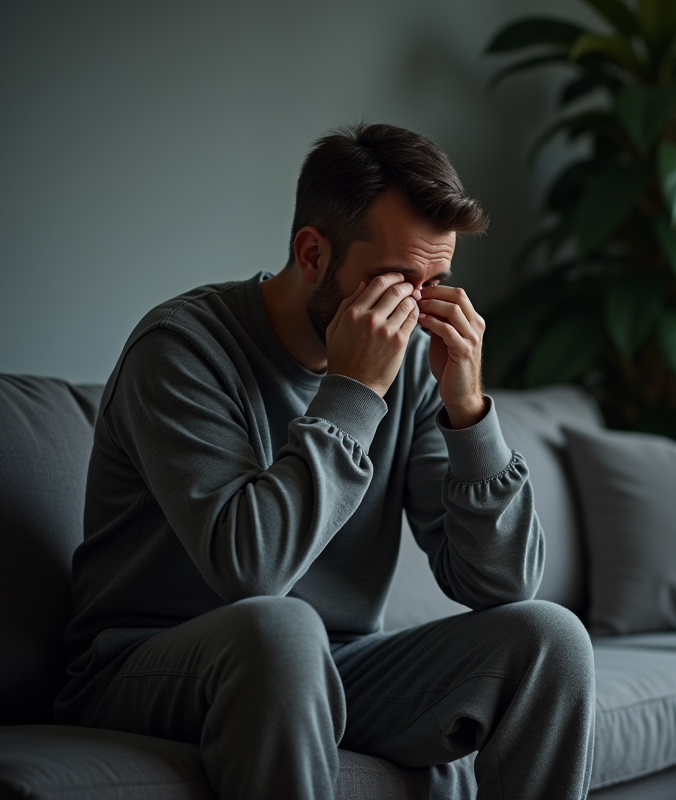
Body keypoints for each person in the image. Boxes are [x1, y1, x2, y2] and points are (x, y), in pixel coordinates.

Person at [54, 123, 595, 800]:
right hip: (151, 662)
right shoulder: (181, 349)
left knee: (551, 639)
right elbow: (251, 570)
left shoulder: (414, 369)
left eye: (436, 283)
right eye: (395, 280)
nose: (417, 310)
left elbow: (505, 584)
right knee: (281, 629)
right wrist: (355, 392)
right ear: (313, 254)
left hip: (334, 663)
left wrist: (467, 411)